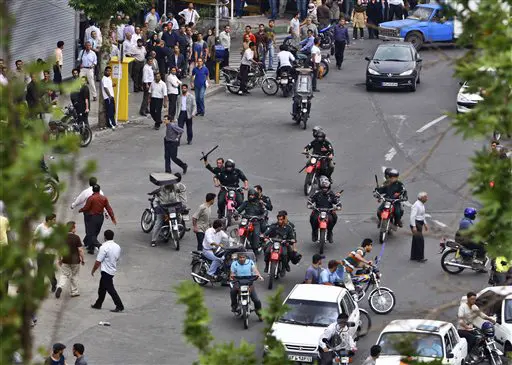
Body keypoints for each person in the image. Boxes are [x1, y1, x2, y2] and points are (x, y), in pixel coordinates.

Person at [91, 230, 124, 312]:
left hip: (106, 271)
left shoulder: (104, 247)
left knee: (110, 289)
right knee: (102, 288)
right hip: (112, 269)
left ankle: (119, 306)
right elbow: (117, 258)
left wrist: (93, 270)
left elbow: (98, 261)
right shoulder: (117, 246)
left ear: (104, 237)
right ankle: (98, 304)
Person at [150, 174, 187, 247]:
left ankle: (176, 230)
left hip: (173, 208)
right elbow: (156, 201)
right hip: (163, 209)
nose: (170, 185)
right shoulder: (160, 191)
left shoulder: (176, 189)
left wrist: (183, 205)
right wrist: (157, 207)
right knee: (159, 222)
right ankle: (153, 240)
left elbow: (181, 197)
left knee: (179, 218)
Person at [79, 184, 117, 254]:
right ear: (99, 190)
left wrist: (81, 210)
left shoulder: (91, 198)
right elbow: (109, 208)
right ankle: (91, 248)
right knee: (96, 233)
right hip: (100, 218)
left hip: (93, 218)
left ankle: (99, 246)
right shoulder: (104, 198)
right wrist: (113, 217)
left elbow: (86, 208)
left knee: (91, 234)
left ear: (93, 190)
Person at [457, 291, 496, 356]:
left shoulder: (474, 307)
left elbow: (481, 315)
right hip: (462, 330)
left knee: (483, 337)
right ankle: (466, 355)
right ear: (468, 299)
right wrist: (467, 327)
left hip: (471, 329)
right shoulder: (462, 307)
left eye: (475, 299)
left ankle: (482, 353)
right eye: (472, 299)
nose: (473, 301)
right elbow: (460, 321)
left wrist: (490, 319)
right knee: (473, 339)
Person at [229, 250, 264, 319]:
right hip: (238, 282)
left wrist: (259, 276)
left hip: (249, 282)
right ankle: (234, 306)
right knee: (232, 291)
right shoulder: (234, 264)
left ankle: (260, 314)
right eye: (240, 258)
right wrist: (231, 278)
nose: (242, 259)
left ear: (246, 258)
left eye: (243, 257)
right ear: (238, 258)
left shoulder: (250, 262)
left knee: (256, 300)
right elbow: (232, 273)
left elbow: (255, 270)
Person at [55, 221, 84, 299]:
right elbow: (80, 250)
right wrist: (82, 259)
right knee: (74, 276)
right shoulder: (77, 237)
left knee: (64, 275)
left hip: (65, 260)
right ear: (72, 228)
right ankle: (74, 292)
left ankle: (60, 287)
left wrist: (59, 259)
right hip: (75, 261)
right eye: (75, 227)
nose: (76, 229)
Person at [308, 178, 340, 242]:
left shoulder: (331, 194)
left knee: (334, 218)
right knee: (312, 218)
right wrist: (309, 204)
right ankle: (314, 232)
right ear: (321, 187)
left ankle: (330, 233)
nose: (325, 189)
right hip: (318, 210)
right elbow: (310, 199)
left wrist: (338, 206)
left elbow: (337, 201)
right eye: (323, 188)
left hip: (329, 212)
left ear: (328, 187)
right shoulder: (316, 193)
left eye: (326, 188)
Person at [237, 188, 266, 255]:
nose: (251, 196)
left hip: (255, 221)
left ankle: (255, 249)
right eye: (250, 195)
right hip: (246, 221)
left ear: (255, 196)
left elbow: (265, 211)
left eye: (252, 195)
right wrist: (236, 213)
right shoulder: (246, 203)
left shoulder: (259, 204)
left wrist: (261, 216)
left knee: (256, 233)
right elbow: (239, 209)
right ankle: (239, 241)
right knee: (240, 227)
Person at [34, 214, 58, 292]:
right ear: (49, 220)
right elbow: (35, 238)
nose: (55, 221)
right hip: (40, 252)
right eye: (54, 219)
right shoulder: (40, 227)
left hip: (51, 252)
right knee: (40, 270)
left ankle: (54, 282)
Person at [409, 191, 428, 262]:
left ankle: (413, 256)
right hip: (416, 224)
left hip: (420, 223)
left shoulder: (422, 204)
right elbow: (412, 217)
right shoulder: (416, 205)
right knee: (420, 241)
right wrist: (414, 226)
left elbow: (422, 215)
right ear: (421, 198)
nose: (427, 198)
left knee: (415, 240)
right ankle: (420, 257)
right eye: (425, 197)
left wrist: (425, 224)